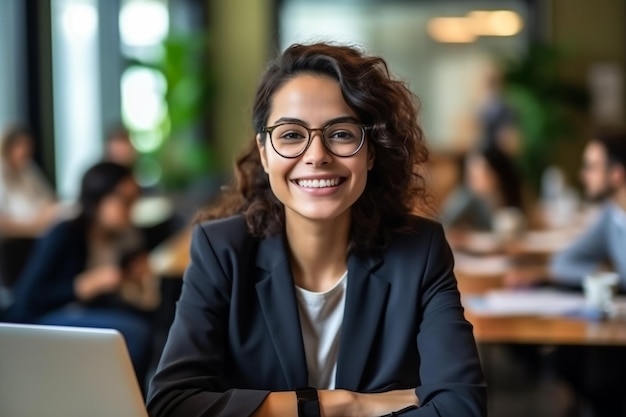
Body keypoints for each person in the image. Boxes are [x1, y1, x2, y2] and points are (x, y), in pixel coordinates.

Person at [147, 43, 486, 417]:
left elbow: (461, 407)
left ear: (370, 151)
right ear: (264, 152)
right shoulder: (221, 251)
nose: (317, 155)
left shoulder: (420, 251)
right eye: (291, 135)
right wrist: (344, 404)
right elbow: (173, 405)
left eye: (341, 133)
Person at [2, 161, 158, 384]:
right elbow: (26, 299)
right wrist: (82, 286)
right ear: (98, 197)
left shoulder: (123, 237)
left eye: (134, 200)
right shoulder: (65, 232)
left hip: (84, 313)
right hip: (44, 318)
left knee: (145, 324)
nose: (131, 209)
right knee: (135, 333)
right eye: (125, 201)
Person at [505, 130, 626, 417]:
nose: (584, 175)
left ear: (617, 174)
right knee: (565, 359)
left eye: (591, 167)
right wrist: (603, 276)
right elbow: (563, 263)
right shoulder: (612, 216)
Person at [440, 147, 524, 231]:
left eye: (479, 175)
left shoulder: (512, 196)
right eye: (470, 175)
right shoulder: (466, 199)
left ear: (496, 175)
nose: (472, 181)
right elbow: (445, 224)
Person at [0, 125, 59, 237]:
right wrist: (33, 226)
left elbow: (49, 198)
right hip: (16, 237)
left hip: (40, 228)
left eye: (29, 146)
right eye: (21, 145)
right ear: (8, 147)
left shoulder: (27, 167)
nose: (26, 150)